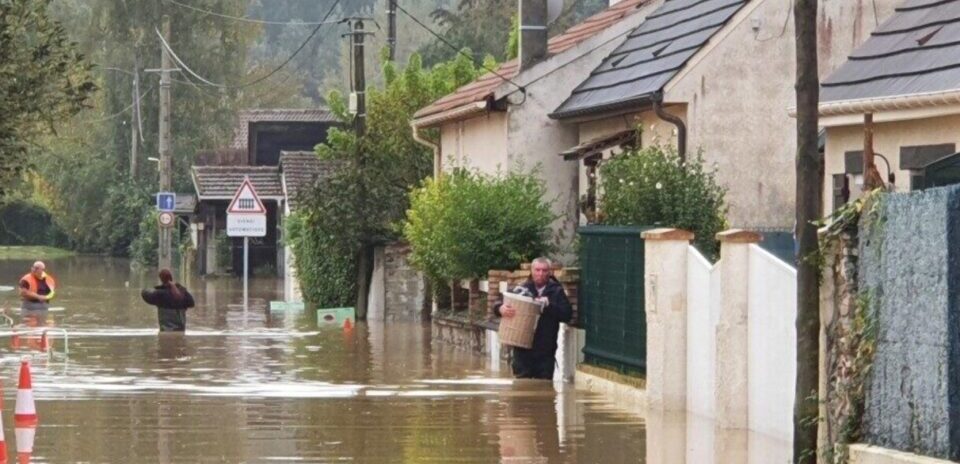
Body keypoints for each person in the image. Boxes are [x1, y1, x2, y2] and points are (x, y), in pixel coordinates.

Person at [494, 257, 573, 380]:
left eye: (544, 270)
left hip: (546, 351)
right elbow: (500, 302)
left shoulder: (556, 291)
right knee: (521, 386)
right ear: (531, 271)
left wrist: (549, 306)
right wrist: (500, 308)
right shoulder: (522, 289)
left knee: (544, 386)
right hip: (522, 350)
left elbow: (567, 315)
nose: (540, 274)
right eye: (537, 270)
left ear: (549, 272)